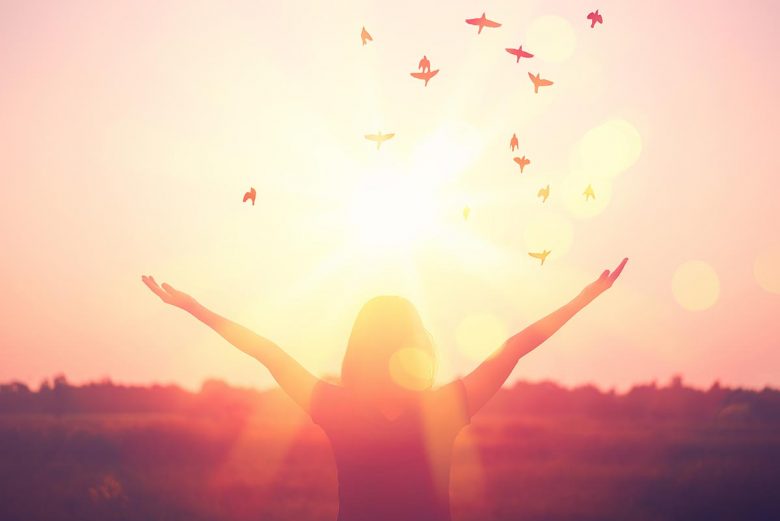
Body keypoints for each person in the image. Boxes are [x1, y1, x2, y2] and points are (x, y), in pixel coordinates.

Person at [141, 257, 627, 521]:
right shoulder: (444, 407)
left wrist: (193, 307)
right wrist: (584, 298)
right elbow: (514, 349)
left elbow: (266, 351)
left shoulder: (337, 408)